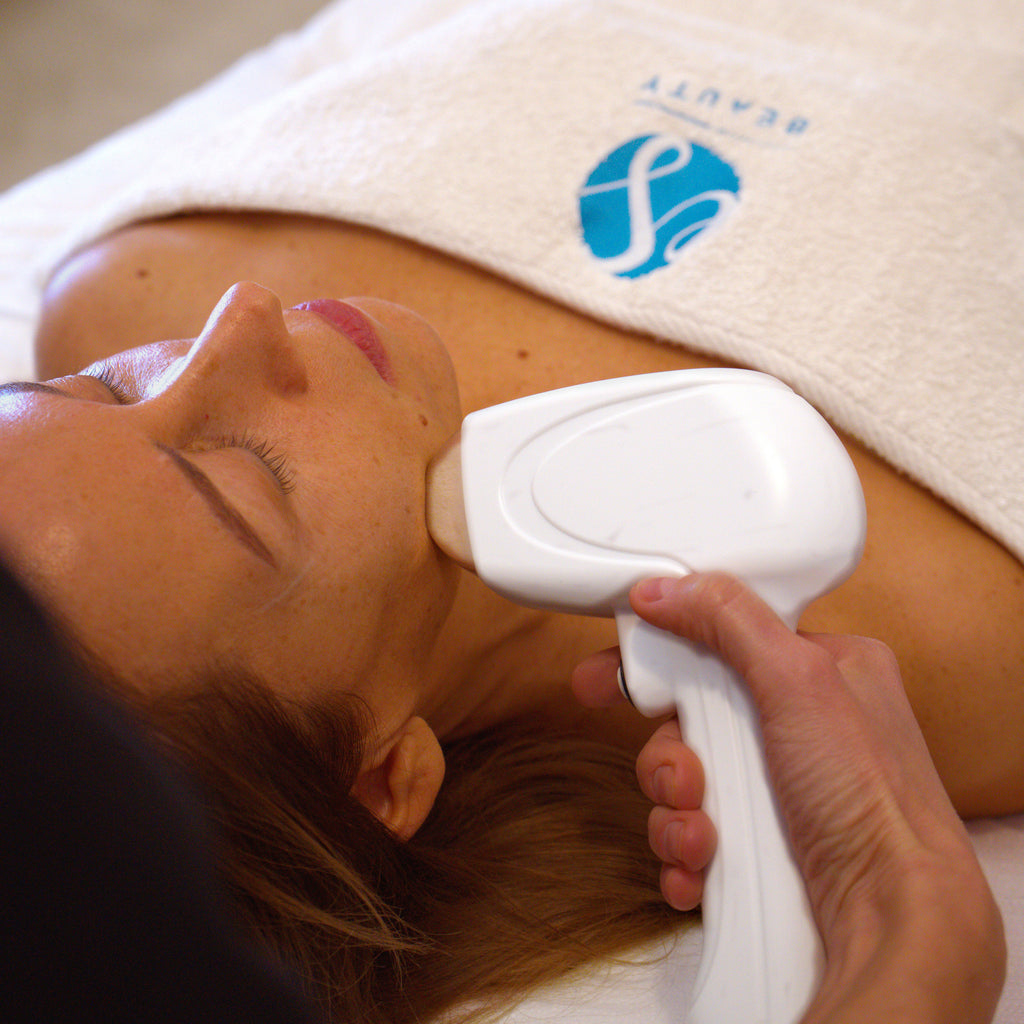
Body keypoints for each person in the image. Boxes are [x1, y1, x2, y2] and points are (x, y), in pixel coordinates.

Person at [0, 0, 1019, 1019]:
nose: (239, 317)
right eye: (248, 472)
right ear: (378, 779)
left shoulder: (122, 289)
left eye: (99, 388)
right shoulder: (958, 641)